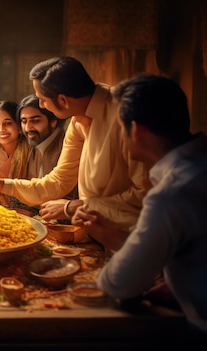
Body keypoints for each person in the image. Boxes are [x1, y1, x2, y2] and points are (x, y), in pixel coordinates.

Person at [77, 74, 207, 335]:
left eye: (119, 127)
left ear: (136, 130)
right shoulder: (196, 170)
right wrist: (112, 236)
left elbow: (119, 282)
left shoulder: (171, 193)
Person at [0, 56, 150, 234]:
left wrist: (74, 207)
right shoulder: (78, 121)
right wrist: (4, 184)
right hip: (98, 231)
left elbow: (144, 195)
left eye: (42, 99)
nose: (40, 104)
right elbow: (59, 180)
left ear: (63, 101)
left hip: (136, 235)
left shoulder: (124, 116)